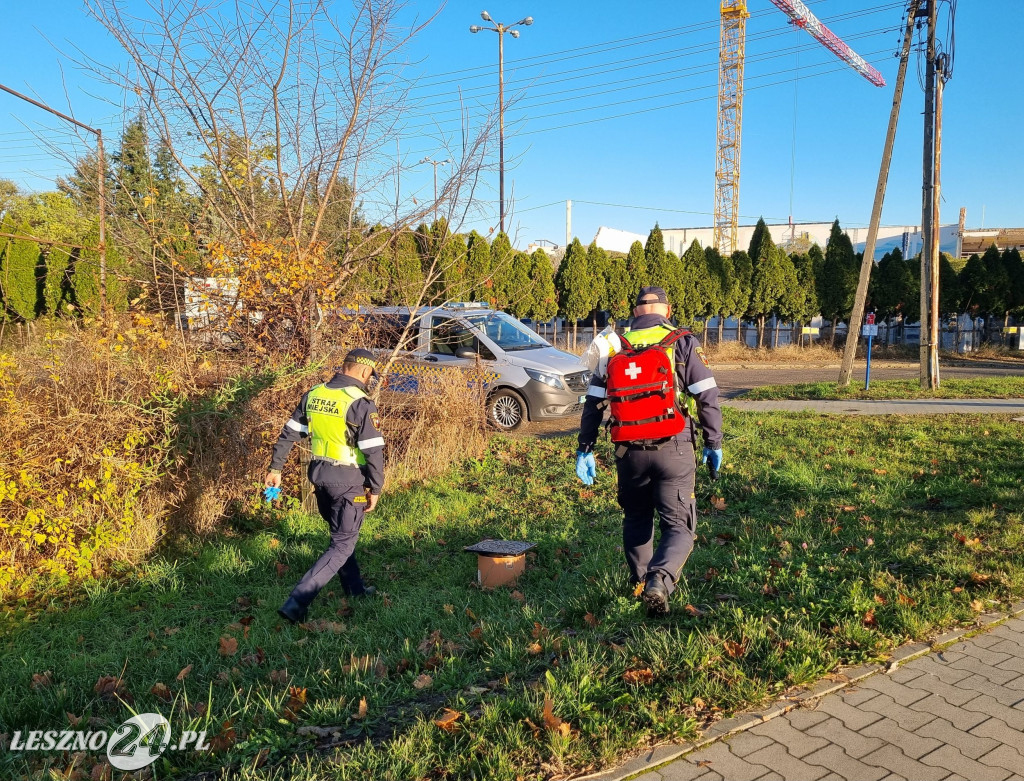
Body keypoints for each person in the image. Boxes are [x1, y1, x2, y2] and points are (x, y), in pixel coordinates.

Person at [575, 286, 724, 617]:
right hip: (674, 446)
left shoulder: (613, 345)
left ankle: (640, 583)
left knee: (637, 516)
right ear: (667, 311)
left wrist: (584, 448)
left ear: (635, 311)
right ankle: (659, 581)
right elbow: (707, 396)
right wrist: (714, 442)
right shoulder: (682, 341)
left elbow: (593, 403)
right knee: (679, 525)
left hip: (628, 451)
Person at [266, 348, 386, 623]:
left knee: (342, 537)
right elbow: (373, 451)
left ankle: (355, 590)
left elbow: (289, 433)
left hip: (319, 477)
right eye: (370, 376)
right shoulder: (360, 402)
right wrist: (376, 488)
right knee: (343, 543)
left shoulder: (315, 393)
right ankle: (297, 601)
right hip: (348, 482)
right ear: (366, 372)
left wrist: (275, 469)